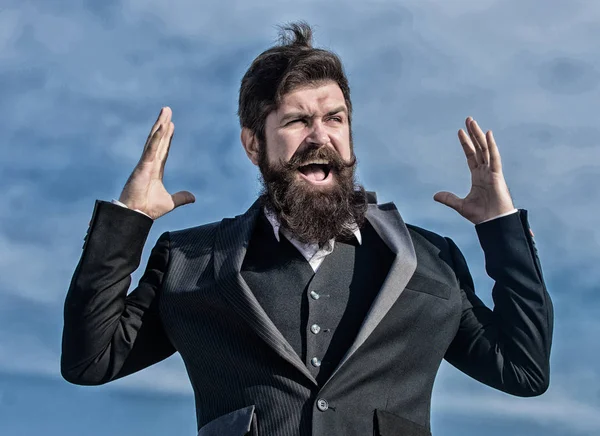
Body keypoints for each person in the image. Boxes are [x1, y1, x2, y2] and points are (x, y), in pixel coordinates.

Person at [61, 22, 553, 436]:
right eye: (297, 121)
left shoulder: (431, 261)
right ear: (254, 145)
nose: (321, 137)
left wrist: (500, 228)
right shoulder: (190, 261)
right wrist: (129, 220)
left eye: (334, 118)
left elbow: (522, 368)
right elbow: (91, 359)